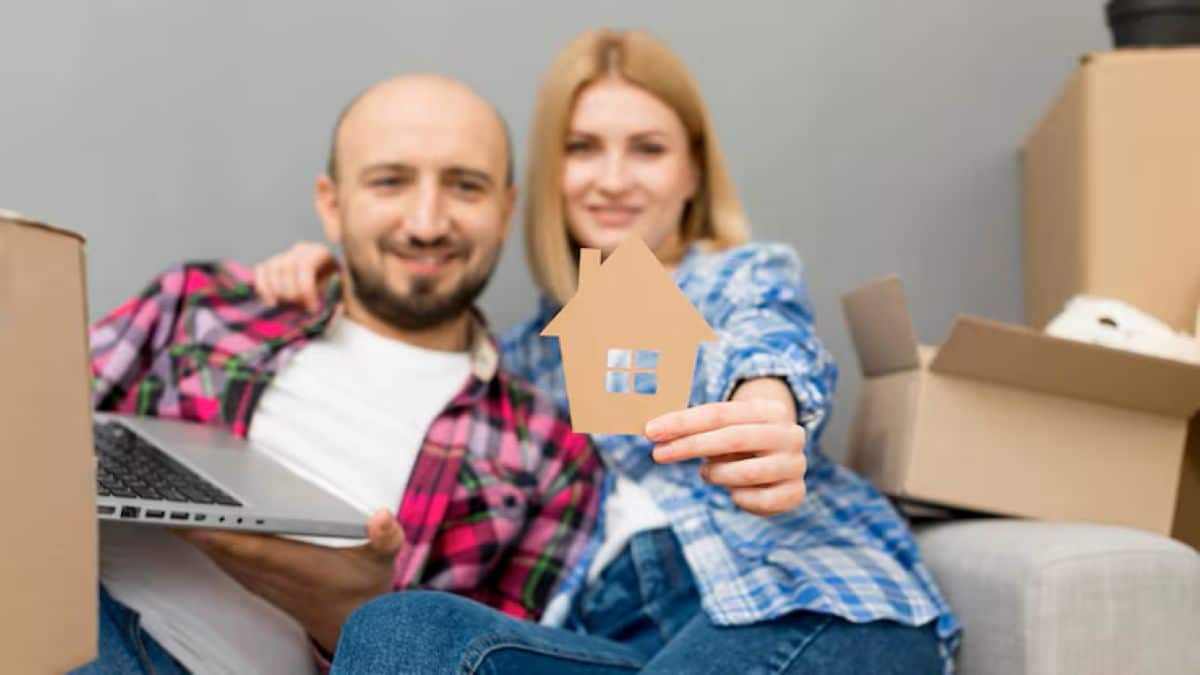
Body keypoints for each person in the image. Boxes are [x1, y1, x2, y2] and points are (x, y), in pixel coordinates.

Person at [257, 29, 960, 675]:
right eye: (583, 147)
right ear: (544, 180)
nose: (614, 178)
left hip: (803, 604)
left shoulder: (733, 277)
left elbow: (767, 334)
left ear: (692, 172)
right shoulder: (520, 363)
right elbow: (422, 342)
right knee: (399, 630)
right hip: (617, 642)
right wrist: (332, 280)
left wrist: (765, 405)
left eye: (648, 149)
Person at [78, 74, 605, 674]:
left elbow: (471, 661)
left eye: (465, 186)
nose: (427, 223)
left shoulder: (552, 452)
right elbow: (27, 425)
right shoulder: (197, 305)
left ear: (506, 210)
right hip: (73, 618)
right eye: (390, 182)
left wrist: (347, 611)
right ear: (332, 203)